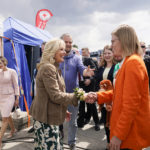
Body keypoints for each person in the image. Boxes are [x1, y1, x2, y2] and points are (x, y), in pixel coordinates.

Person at [86, 24, 150, 150]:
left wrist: (118, 135)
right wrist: (98, 96)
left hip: (129, 134)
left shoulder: (133, 63)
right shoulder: (127, 61)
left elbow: (131, 104)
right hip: (126, 131)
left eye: (113, 41)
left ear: (124, 40)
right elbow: (119, 93)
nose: (111, 45)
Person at [29, 38, 82, 150]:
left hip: (48, 116)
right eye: (61, 49)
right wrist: (79, 96)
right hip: (46, 118)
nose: (64, 52)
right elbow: (56, 95)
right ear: (52, 52)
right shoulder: (48, 68)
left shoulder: (53, 67)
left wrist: (63, 109)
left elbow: (52, 94)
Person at [59, 33, 94, 150]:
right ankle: (58, 140)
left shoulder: (77, 57)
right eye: (66, 42)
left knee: (72, 122)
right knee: (56, 120)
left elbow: (82, 68)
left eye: (70, 42)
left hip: (73, 96)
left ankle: (71, 142)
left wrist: (86, 72)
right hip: (57, 96)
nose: (68, 44)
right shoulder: (56, 57)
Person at [95, 45, 115, 149]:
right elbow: (96, 81)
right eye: (105, 53)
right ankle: (108, 143)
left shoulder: (117, 66)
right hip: (103, 100)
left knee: (112, 123)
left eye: (109, 53)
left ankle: (113, 144)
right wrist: (99, 90)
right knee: (105, 122)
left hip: (113, 101)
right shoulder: (101, 67)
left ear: (113, 54)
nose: (107, 55)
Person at [77, 47, 100, 131]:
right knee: (82, 104)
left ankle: (96, 122)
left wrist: (90, 80)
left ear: (88, 52)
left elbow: (95, 72)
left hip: (90, 86)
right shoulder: (79, 60)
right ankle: (81, 121)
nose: (82, 54)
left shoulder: (89, 60)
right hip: (81, 85)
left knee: (92, 104)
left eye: (84, 52)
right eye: (81, 52)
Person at [0, 56, 19, 149]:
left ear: (4, 62)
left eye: (0, 63)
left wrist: (17, 98)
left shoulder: (12, 71)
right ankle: (13, 130)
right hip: (1, 97)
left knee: (4, 118)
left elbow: (16, 85)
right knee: (7, 115)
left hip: (9, 97)